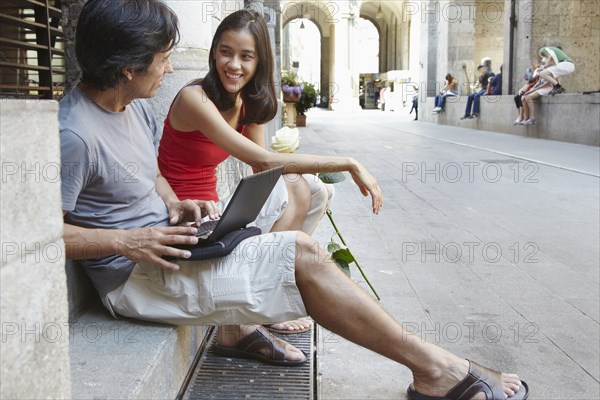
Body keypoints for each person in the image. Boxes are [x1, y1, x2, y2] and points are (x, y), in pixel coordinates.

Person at [60, 2, 529, 399]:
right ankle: (436, 371)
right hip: (135, 281)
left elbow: (155, 173)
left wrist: (176, 203)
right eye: (163, 59)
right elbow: (43, 235)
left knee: (302, 201)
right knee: (302, 254)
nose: (168, 69)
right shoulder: (74, 134)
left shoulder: (132, 106)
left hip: (171, 246)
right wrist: (130, 240)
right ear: (127, 68)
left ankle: (429, 365)